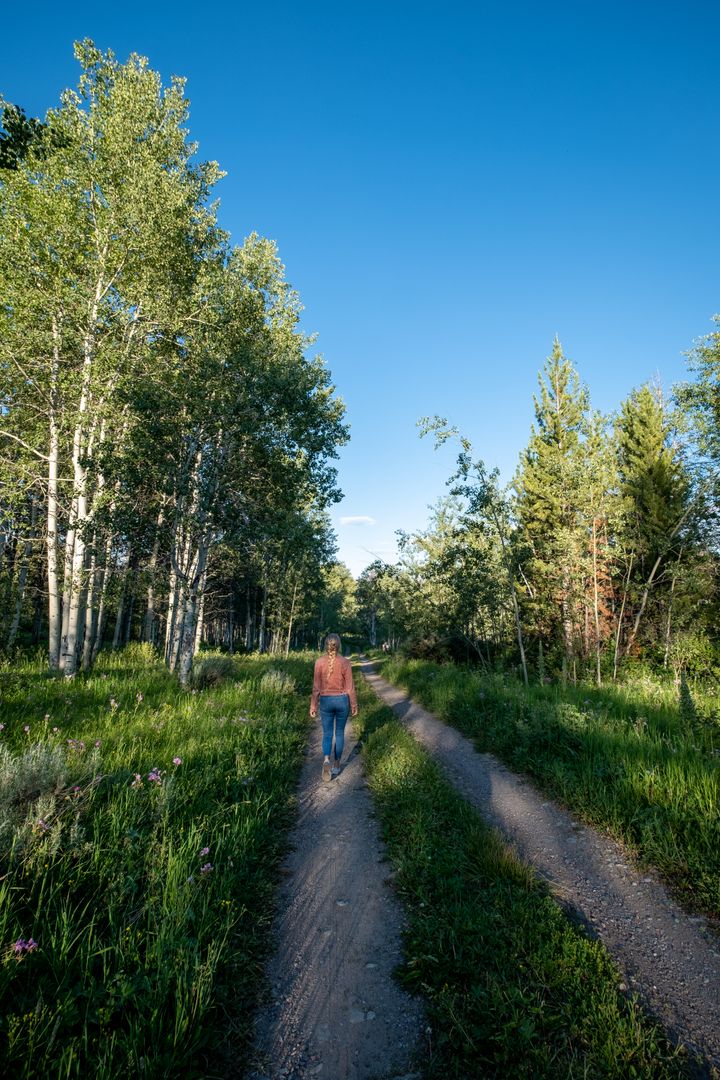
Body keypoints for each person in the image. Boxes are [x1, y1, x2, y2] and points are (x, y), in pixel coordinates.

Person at [310, 633, 358, 781]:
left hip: (325, 701)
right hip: (342, 700)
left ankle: (326, 760)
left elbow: (316, 688)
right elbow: (350, 687)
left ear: (326, 645)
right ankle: (336, 765)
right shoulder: (345, 662)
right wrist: (354, 704)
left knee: (327, 733)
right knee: (339, 733)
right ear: (339, 645)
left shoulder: (319, 662)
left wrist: (313, 705)